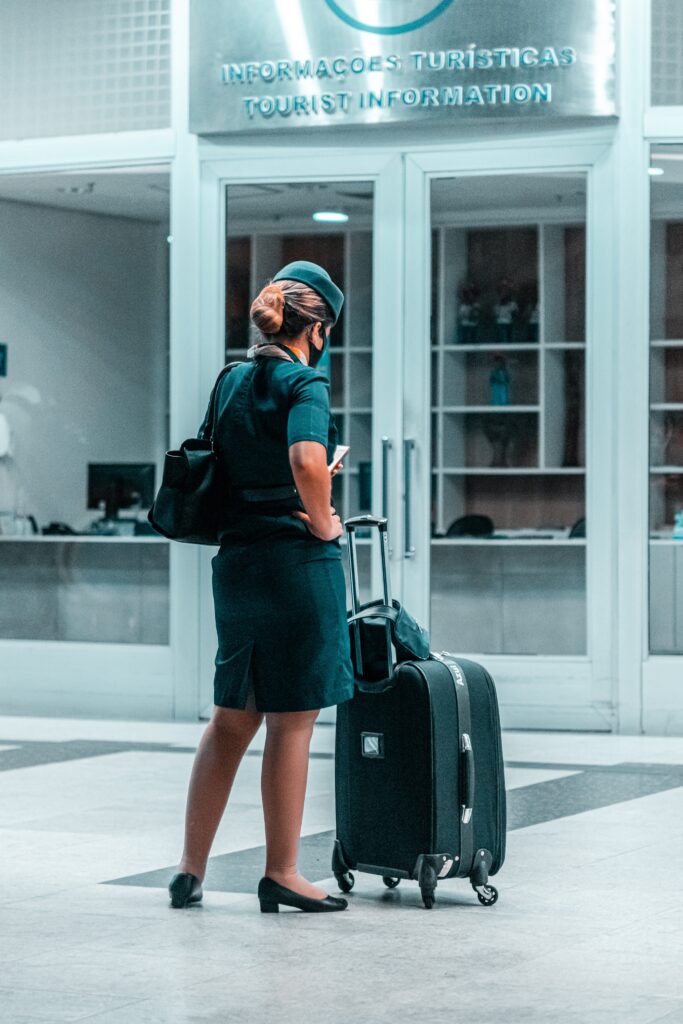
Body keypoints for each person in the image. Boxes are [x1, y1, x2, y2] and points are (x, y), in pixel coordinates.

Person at [168, 261, 354, 914]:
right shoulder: (304, 383)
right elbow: (304, 460)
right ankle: (282, 871)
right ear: (320, 327)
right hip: (296, 567)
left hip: (239, 563)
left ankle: (190, 868)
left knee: (231, 718)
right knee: (293, 721)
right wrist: (326, 520)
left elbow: (230, 461)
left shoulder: (231, 380)